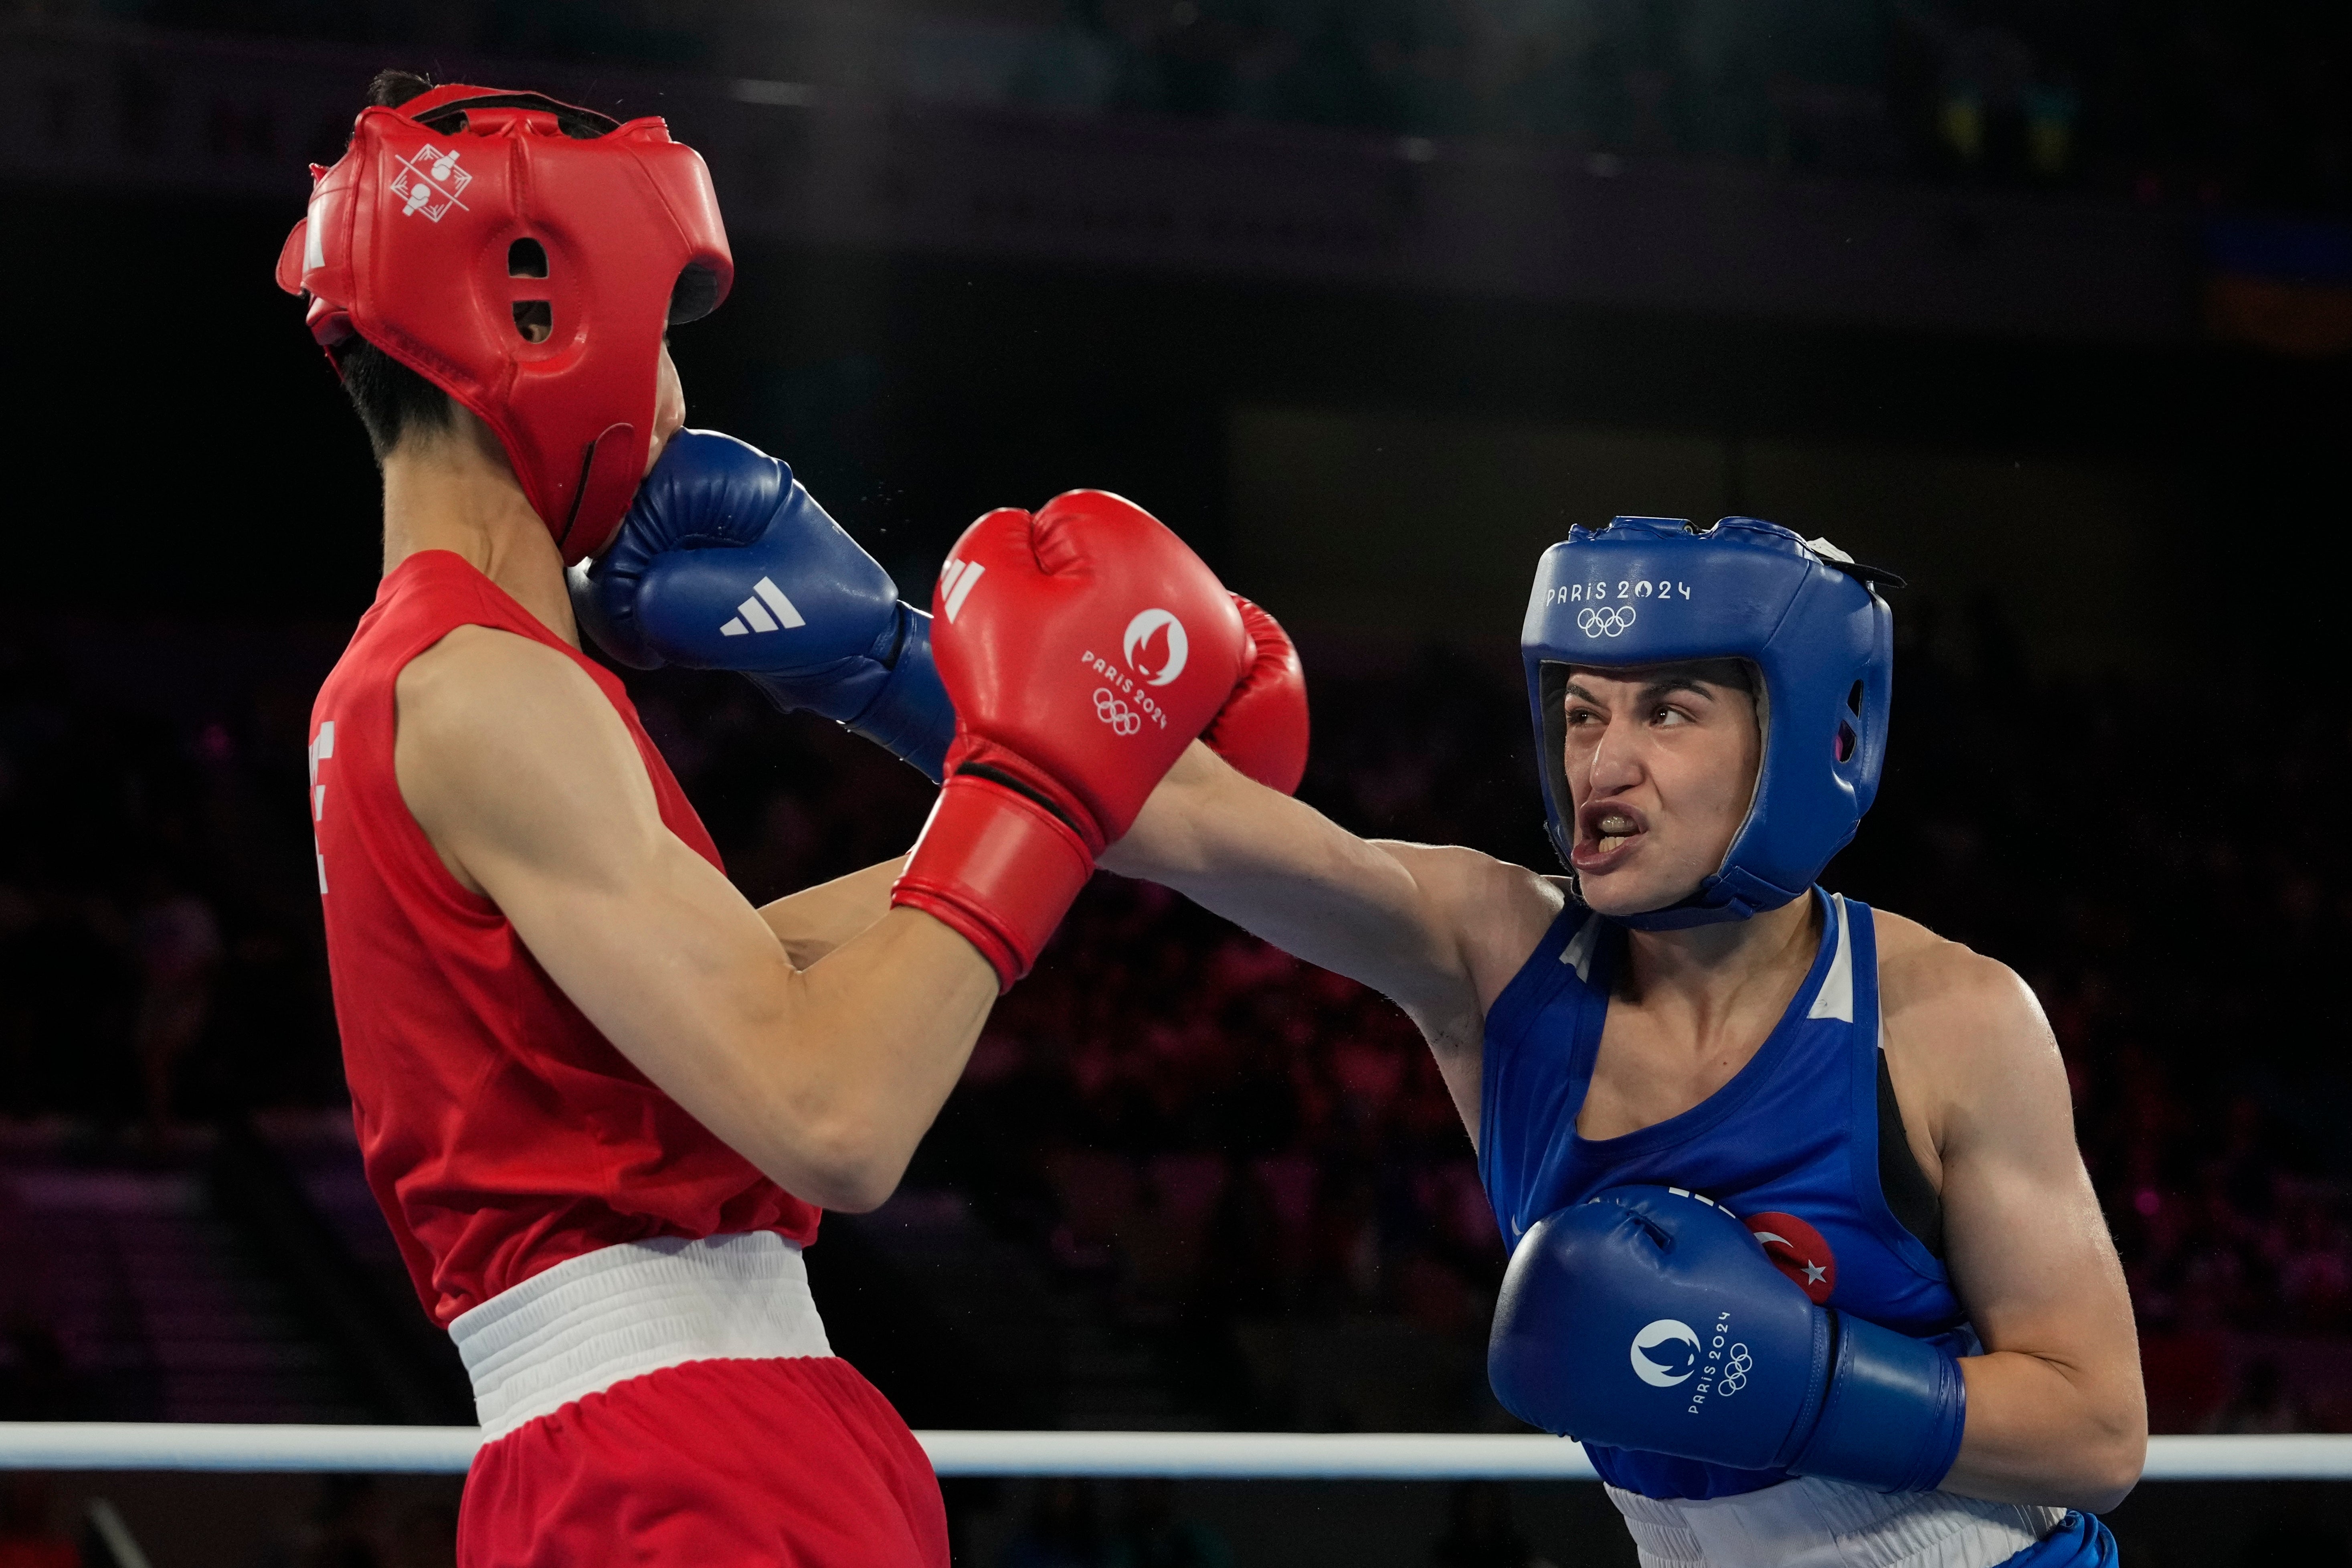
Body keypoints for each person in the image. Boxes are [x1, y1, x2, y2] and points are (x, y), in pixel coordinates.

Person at [282, 71, 1285, 1567]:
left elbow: (739, 981)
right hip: (689, 1472)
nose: (678, 399)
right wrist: (1036, 786)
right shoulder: (486, 687)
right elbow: (833, 1117)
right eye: (667, 340)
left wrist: (1056, 795)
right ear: (542, 323)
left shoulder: (407, 676)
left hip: (654, 1455)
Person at [1091, 516, 2146, 1565]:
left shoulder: (1947, 1015)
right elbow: (1189, 821)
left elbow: (2096, 1434)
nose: (1604, 762)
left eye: (1668, 713)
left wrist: (1805, 1386)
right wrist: (926, 666)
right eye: (1581, 713)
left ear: (1811, 736)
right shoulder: (1494, 953)